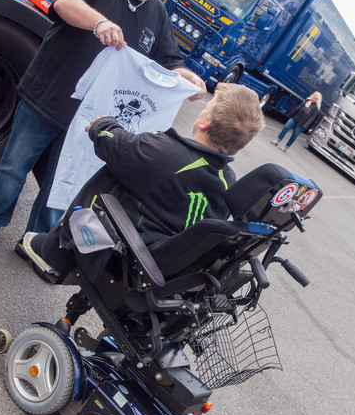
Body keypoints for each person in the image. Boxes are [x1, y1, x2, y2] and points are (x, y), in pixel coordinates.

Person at [0, 0, 206, 255]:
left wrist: (190, 79)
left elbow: (170, 60)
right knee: (14, 166)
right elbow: (65, 3)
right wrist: (99, 22)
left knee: (62, 183)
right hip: (48, 96)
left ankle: (34, 242)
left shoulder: (156, 14)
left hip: (92, 118)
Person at [20, 83, 265, 280]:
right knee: (143, 186)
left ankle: (57, 254)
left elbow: (113, 142)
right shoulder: (227, 181)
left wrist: (101, 124)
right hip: (162, 263)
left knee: (116, 174)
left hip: (123, 253)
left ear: (204, 122)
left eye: (206, 107)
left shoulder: (165, 152)